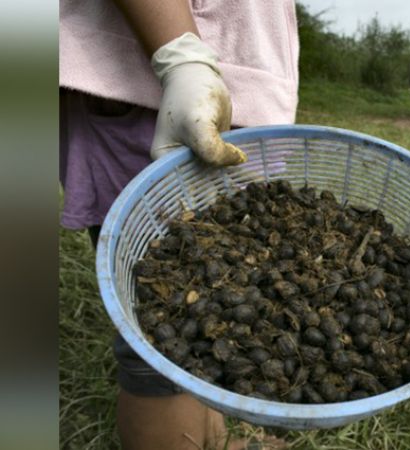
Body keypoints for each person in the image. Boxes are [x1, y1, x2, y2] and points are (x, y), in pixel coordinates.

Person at [60, 0, 299, 448]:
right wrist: (181, 57)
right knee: (159, 335)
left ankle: (214, 438)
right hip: (149, 85)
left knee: (218, 312)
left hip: (227, 96)